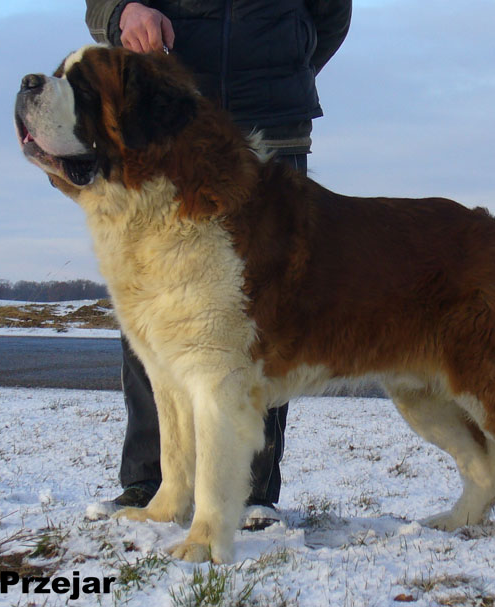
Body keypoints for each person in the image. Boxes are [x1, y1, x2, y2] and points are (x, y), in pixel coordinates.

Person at [84, 0, 351, 528]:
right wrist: (123, 11)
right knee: (153, 302)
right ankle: (153, 482)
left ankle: (251, 491)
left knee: (263, 317)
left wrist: (286, 55)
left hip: (271, 120)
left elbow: (331, 14)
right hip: (166, 119)